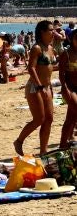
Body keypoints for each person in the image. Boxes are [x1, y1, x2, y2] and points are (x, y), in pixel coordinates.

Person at [15, 20, 58, 156]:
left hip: (47, 86)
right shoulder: (37, 48)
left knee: (49, 118)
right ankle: (19, 141)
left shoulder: (50, 48)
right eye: (51, 30)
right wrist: (40, 86)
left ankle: (43, 150)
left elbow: (50, 67)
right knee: (39, 119)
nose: (53, 33)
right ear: (42, 32)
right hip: (35, 86)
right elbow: (31, 68)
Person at [59, 28, 77, 150]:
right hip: (70, 88)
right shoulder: (66, 53)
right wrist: (64, 87)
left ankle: (63, 144)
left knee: (70, 118)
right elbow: (61, 73)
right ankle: (64, 143)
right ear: (71, 39)